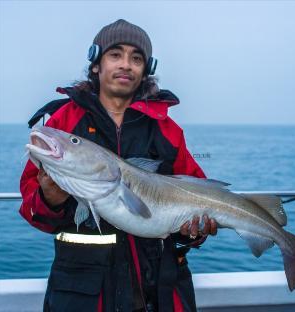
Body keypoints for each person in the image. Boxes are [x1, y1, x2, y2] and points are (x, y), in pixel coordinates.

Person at [19, 19, 217, 312]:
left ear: (146, 70)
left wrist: (195, 230)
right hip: (83, 295)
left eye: (136, 58)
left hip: (158, 291)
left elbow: (196, 193)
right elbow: (33, 210)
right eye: (115, 54)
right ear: (96, 63)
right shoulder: (64, 122)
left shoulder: (166, 129)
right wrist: (50, 198)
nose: (126, 64)